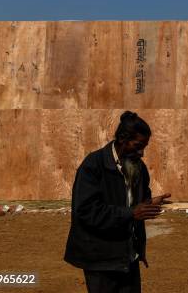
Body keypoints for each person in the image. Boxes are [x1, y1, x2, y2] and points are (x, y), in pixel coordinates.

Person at [64, 111, 170, 293]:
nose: (141, 153)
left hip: (127, 256)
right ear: (122, 139)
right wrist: (131, 213)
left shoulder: (139, 167)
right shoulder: (93, 165)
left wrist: (150, 202)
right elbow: (86, 211)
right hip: (99, 259)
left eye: (144, 147)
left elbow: (136, 202)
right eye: (137, 146)